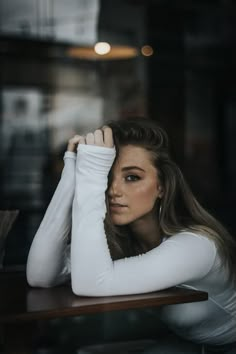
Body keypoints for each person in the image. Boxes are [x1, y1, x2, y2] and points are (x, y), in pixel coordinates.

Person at [27, 117, 236, 353]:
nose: (113, 190)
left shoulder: (196, 246)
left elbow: (91, 284)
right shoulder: (122, 240)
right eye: (107, 177)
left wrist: (92, 175)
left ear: (162, 187)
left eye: (132, 177)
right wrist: (71, 175)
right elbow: (40, 275)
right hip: (191, 345)